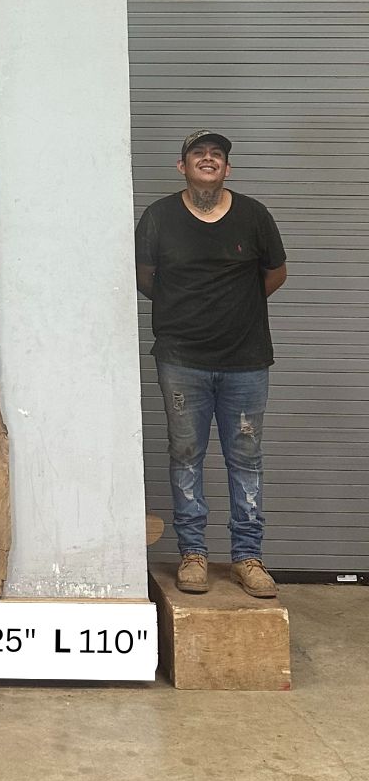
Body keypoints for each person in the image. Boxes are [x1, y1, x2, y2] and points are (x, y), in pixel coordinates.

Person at [135, 130, 287, 598]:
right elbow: (145, 277)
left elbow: (275, 273)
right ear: (182, 166)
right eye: (198, 154)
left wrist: (234, 310)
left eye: (216, 155)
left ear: (227, 168)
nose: (208, 159)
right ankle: (193, 554)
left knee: (246, 459)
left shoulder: (254, 216)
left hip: (246, 361)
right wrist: (186, 311)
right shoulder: (159, 217)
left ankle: (247, 557)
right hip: (182, 361)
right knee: (185, 456)